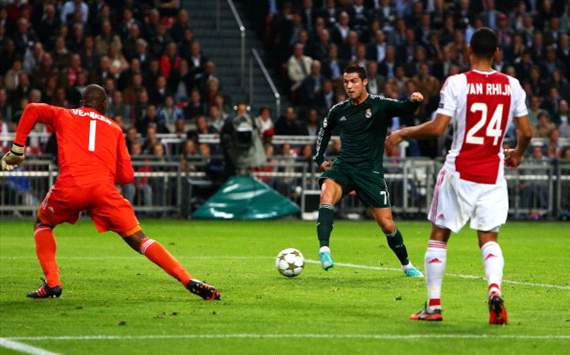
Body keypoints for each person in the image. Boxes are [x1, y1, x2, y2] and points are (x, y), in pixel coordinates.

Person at [0, 84, 220, 301]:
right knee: (139, 239)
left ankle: (53, 283)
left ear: (82, 102)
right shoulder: (115, 129)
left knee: (43, 223)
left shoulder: (65, 115)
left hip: (70, 185)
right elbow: (126, 176)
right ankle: (187, 279)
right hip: (103, 190)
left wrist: (18, 148)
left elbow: (32, 109)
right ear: (104, 105)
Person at [386, 28, 532, 324]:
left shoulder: (457, 83)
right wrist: (516, 152)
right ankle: (494, 290)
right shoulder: (513, 86)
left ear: (468, 51)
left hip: (459, 170)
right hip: (493, 174)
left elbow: (438, 128)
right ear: (497, 53)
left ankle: (434, 306)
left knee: (439, 235)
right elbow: (527, 132)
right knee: (489, 238)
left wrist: (403, 132)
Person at [313, 65, 424, 277]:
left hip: (370, 172)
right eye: (346, 82)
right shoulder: (338, 110)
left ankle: (407, 265)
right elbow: (324, 130)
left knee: (386, 224)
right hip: (344, 167)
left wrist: (414, 101)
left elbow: (403, 108)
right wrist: (319, 158)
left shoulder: (379, 105)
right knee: (326, 194)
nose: (349, 86)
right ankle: (324, 249)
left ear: (364, 82)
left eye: (353, 81)